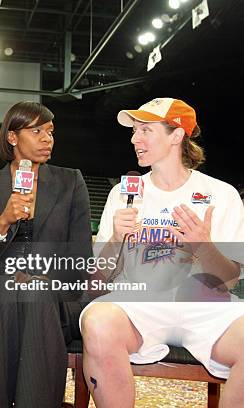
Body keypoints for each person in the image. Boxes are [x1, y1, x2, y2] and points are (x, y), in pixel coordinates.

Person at [80, 98, 244, 407]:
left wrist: (203, 248)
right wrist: (116, 238)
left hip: (204, 305)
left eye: (145, 130)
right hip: (137, 303)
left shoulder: (221, 195)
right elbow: (96, 280)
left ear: (177, 135)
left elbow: (230, 280)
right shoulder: (123, 194)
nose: (134, 139)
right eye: (134, 131)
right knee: (98, 321)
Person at [0, 101, 93, 407]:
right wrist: (2, 222)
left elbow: (81, 260)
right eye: (37, 131)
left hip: (56, 296)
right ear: (12, 137)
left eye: (50, 132)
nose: (48, 139)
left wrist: (40, 277)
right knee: (1, 287)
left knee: (34, 291)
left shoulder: (71, 181)